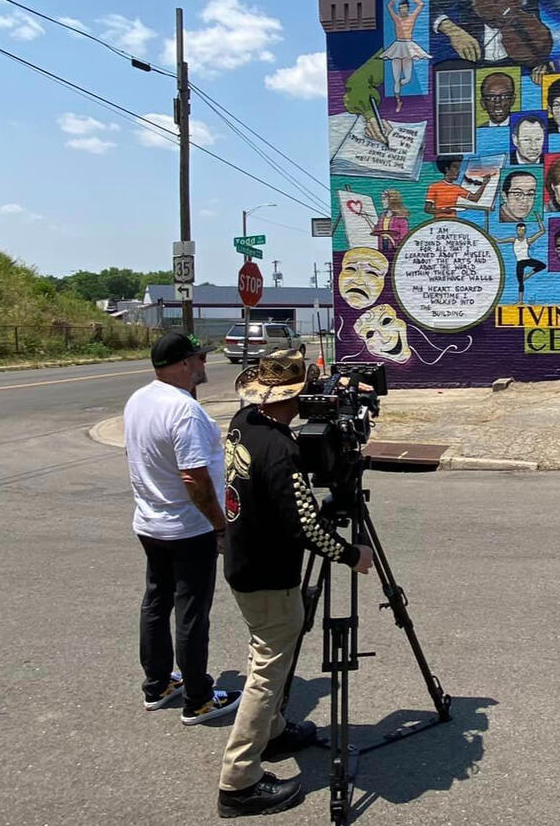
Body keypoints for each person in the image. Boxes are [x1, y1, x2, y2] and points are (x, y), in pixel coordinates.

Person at [216, 350, 374, 819]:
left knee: (265, 647)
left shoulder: (245, 422)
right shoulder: (282, 450)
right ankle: (238, 780)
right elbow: (306, 524)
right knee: (267, 669)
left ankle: (274, 730)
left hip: (242, 562)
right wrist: (352, 555)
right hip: (268, 573)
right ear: (298, 395)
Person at [123, 330, 242, 726]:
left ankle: (158, 684)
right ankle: (199, 698)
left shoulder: (139, 399)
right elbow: (194, 477)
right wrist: (219, 525)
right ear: (182, 365)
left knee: (156, 602)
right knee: (192, 611)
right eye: (199, 358)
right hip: (188, 526)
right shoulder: (185, 411)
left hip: (150, 520)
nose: (205, 363)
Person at [380, 0, 432, 112]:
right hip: (398, 46)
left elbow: (421, 5)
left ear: (408, 9)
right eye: (401, 7)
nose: (403, 10)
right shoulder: (397, 19)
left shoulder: (412, 18)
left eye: (405, 7)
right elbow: (389, 6)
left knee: (407, 78)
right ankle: (398, 101)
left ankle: (399, 87)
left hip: (408, 46)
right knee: (396, 78)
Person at [495, 219, 547, 303]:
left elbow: (542, 231)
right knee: (520, 282)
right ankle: (520, 301)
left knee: (542, 265)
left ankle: (528, 275)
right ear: (516, 230)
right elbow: (499, 241)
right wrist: (488, 235)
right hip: (520, 262)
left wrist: (538, 219)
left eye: (523, 230)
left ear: (525, 231)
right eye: (519, 230)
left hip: (527, 260)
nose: (521, 232)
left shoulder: (528, 240)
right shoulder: (513, 240)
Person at [425, 157, 491, 218]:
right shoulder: (434, 187)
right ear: (447, 169)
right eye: (455, 167)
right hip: (439, 222)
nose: (458, 171)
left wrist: (484, 184)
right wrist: (444, 211)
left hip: (454, 222)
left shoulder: (456, 188)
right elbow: (428, 209)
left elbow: (474, 198)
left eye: (459, 168)